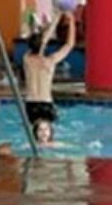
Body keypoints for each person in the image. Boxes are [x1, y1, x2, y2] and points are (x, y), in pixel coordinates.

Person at [22, 10, 76, 140]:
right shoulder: (50, 61)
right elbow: (69, 45)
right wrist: (71, 22)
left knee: (34, 135)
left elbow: (43, 41)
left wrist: (56, 18)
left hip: (30, 104)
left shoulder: (26, 59)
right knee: (48, 135)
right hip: (46, 103)